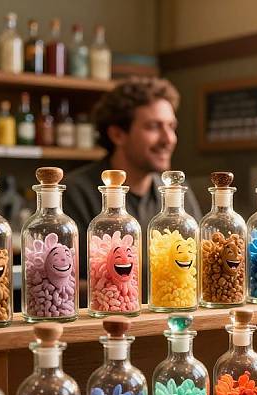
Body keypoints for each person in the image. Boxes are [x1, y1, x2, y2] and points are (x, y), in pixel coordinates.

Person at [64, 76, 201, 304]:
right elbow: (64, 281)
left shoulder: (177, 194)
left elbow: (198, 266)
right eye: (153, 127)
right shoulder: (76, 192)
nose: (169, 139)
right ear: (118, 134)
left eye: (171, 127)